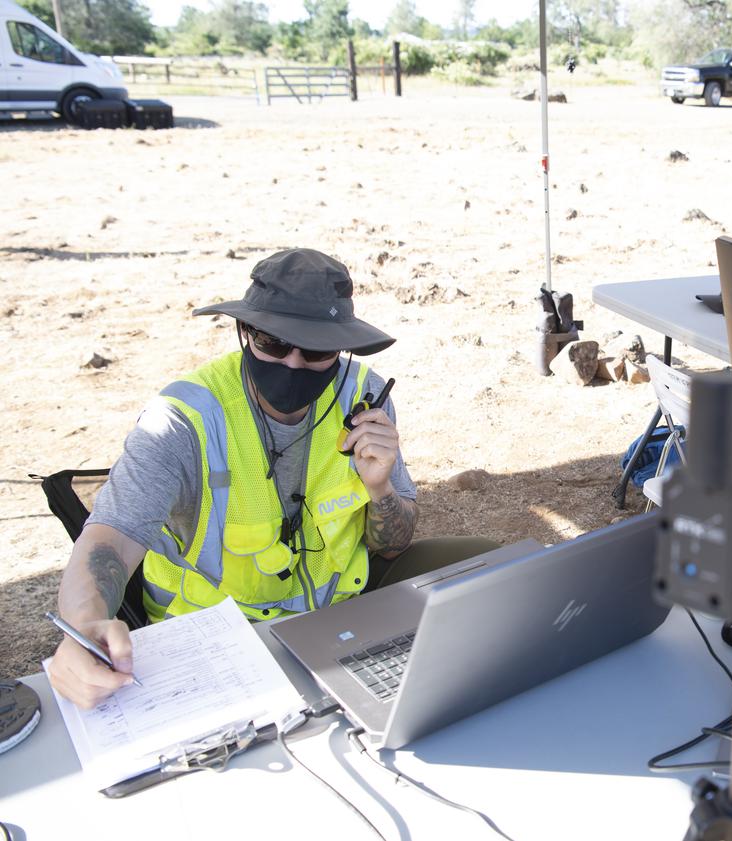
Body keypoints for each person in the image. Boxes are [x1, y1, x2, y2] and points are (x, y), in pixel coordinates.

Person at [47, 248, 497, 709]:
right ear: (245, 332)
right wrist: (84, 625)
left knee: (499, 568)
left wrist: (379, 486)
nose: (293, 365)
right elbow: (110, 538)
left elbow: (392, 547)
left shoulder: (363, 397)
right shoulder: (183, 421)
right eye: (273, 344)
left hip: (338, 612)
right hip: (223, 638)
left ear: (340, 347)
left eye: (317, 350)